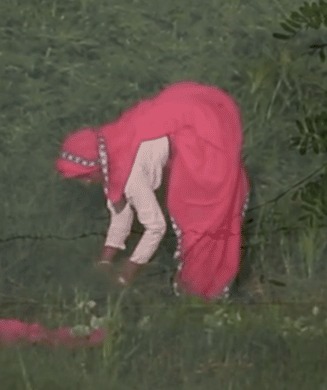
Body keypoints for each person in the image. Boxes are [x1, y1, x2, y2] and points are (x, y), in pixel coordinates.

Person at [55, 82, 251, 300]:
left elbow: (156, 227)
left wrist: (130, 268)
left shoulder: (131, 178)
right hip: (186, 119)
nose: (85, 183)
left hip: (198, 144)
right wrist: (105, 259)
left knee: (199, 221)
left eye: (84, 176)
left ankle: (201, 292)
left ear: (96, 166)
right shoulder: (113, 149)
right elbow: (120, 216)